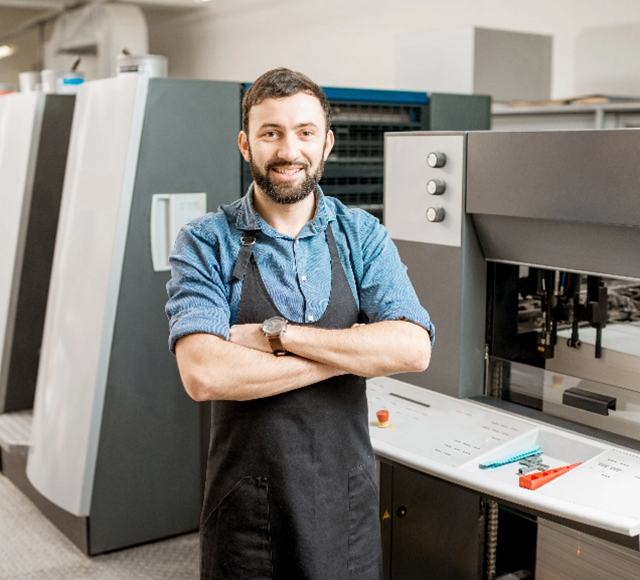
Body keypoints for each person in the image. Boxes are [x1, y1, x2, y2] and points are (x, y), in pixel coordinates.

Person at [166, 67, 434, 580]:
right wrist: (350, 352)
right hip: (246, 510)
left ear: (327, 142)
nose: (290, 150)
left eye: (305, 132)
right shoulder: (205, 241)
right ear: (246, 145)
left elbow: (412, 348)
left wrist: (277, 336)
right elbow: (204, 373)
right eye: (271, 133)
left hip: (346, 503)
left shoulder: (362, 235)